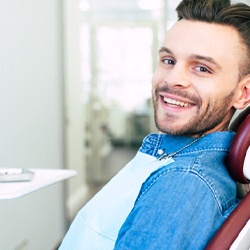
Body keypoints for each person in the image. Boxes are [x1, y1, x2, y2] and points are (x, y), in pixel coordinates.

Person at [59, 0, 250, 249]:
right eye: (169, 60)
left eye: (202, 68)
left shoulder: (182, 183)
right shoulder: (176, 162)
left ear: (243, 93)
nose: (172, 79)